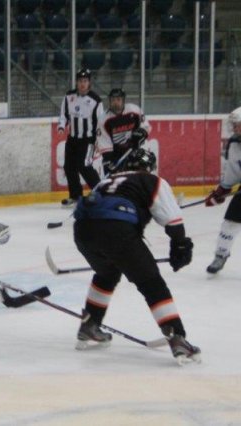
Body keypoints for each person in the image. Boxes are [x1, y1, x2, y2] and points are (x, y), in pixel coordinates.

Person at [72, 148, 201, 365]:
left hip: (83, 232)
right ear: (150, 167)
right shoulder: (151, 180)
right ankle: (177, 338)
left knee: (107, 272)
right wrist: (179, 245)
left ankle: (90, 325)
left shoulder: (106, 180)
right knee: (151, 282)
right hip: (117, 231)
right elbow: (173, 221)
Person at [57, 68, 103, 207]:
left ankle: (101, 193)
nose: (82, 84)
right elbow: (64, 114)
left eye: (85, 81)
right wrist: (61, 126)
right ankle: (75, 195)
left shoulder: (96, 100)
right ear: (76, 82)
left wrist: (98, 141)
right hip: (72, 139)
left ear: (89, 83)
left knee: (84, 166)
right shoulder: (69, 96)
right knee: (69, 166)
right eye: (80, 81)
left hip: (88, 140)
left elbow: (100, 122)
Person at [205, 106, 241, 274]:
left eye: (237, 124)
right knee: (230, 221)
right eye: (233, 124)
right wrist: (222, 190)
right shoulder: (234, 143)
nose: (234, 128)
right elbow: (234, 171)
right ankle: (221, 254)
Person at [96, 88, 152, 174]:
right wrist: (109, 160)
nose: (115, 103)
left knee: (149, 159)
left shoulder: (134, 110)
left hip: (134, 152)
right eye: (113, 100)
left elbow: (146, 127)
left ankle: (143, 181)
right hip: (116, 156)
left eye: (118, 99)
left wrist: (142, 133)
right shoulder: (103, 119)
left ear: (123, 100)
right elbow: (104, 144)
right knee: (114, 174)